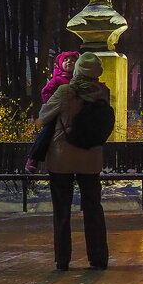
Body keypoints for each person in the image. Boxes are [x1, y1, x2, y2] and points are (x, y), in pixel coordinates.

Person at [27, 52, 111, 271]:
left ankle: (63, 259)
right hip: (91, 158)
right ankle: (98, 257)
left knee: (62, 210)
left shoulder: (65, 91)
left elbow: (44, 116)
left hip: (62, 158)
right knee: (93, 208)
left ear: (78, 70)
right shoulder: (102, 92)